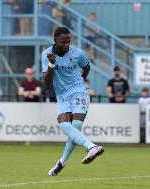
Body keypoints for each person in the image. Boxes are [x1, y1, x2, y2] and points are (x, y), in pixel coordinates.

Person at [42, 27, 104, 176]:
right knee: (64, 125)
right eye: (63, 42)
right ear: (55, 40)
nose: (66, 45)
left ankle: (91, 147)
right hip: (62, 95)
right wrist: (51, 64)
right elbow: (47, 82)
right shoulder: (46, 54)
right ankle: (62, 162)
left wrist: (79, 82)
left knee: (76, 125)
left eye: (68, 41)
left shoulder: (78, 53)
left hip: (78, 91)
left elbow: (87, 67)